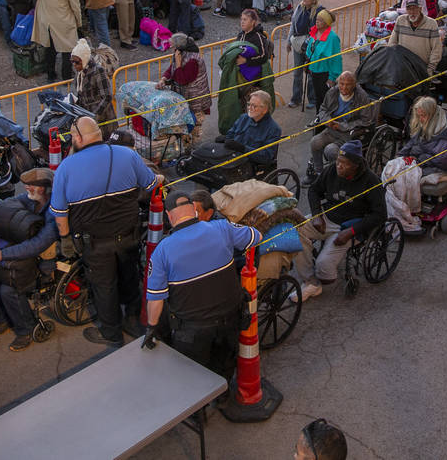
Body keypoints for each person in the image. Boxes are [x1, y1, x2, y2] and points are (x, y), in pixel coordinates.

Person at [52, 116, 161, 347]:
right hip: (129, 235)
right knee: (129, 275)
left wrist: (64, 239)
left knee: (104, 286)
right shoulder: (128, 155)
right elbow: (152, 185)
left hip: (94, 243)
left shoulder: (66, 168)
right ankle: (133, 320)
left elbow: (60, 213)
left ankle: (111, 333)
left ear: (79, 138)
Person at [142, 189, 260, 380]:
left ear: (169, 216)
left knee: (194, 380)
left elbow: (156, 300)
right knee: (224, 367)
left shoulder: (162, 252)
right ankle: (222, 397)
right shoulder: (222, 228)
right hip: (230, 320)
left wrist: (151, 328)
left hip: (192, 331)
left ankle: (200, 410)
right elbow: (256, 236)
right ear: (194, 212)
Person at [296, 141, 387, 301]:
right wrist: (317, 215)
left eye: (344, 164)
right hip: (327, 217)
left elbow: (380, 215)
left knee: (324, 268)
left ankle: (320, 270)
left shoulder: (371, 181)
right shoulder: (331, 170)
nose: (339, 166)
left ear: (355, 166)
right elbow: (314, 191)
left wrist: (351, 231)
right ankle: (310, 282)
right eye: (338, 161)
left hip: (351, 226)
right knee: (295, 231)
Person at [0, 167, 59, 351]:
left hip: (44, 262)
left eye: (31, 186)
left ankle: (26, 329)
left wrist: (1, 255)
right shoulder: (33, 199)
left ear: (44, 188)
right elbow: (6, 203)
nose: (26, 189)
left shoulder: (54, 212)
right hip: (26, 256)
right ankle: (7, 318)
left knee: (9, 289)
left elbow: (37, 245)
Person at [309, 71, 375, 180]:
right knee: (315, 142)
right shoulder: (333, 92)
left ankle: (337, 177)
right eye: (341, 83)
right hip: (331, 130)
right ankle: (319, 174)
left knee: (330, 151)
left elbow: (366, 120)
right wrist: (328, 120)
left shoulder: (361, 96)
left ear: (354, 85)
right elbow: (323, 109)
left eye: (348, 84)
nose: (344, 87)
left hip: (349, 134)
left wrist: (342, 126)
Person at [31, 0, 82, 83]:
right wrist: (79, 23)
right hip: (65, 23)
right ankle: (66, 77)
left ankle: (51, 75)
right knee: (67, 51)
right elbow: (76, 7)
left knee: (50, 50)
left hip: (48, 24)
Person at [218, 89, 281, 171]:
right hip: (234, 157)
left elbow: (266, 157)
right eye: (249, 104)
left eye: (254, 106)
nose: (249, 108)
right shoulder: (243, 118)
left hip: (251, 165)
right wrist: (226, 139)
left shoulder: (273, 129)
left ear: (265, 110)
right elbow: (231, 133)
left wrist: (243, 148)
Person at [158, 33, 211, 126]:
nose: (170, 47)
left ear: (178, 48)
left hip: (195, 100)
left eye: (172, 45)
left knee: (194, 125)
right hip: (185, 97)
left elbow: (182, 80)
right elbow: (171, 69)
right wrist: (163, 79)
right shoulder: (178, 55)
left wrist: (178, 64)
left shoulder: (192, 60)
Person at [69, 38, 116, 130]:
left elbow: (107, 96)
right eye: (72, 61)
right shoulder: (79, 72)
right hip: (87, 116)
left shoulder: (98, 71)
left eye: (77, 62)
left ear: (84, 59)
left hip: (102, 119)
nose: (74, 65)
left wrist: (95, 115)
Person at [387, 0, 441, 74]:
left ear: (420, 9)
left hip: (422, 67)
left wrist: (430, 68)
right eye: (409, 9)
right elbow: (392, 43)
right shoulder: (400, 20)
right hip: (403, 65)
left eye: (415, 8)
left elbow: (436, 49)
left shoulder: (431, 24)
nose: (412, 12)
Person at [288, 0, 324, 108]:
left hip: (312, 46)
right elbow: (293, 25)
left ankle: (312, 99)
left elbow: (322, 30)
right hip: (298, 44)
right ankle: (296, 98)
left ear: (314, 0)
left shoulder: (320, 11)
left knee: (310, 73)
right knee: (297, 72)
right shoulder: (299, 8)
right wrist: (289, 41)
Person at [234, 8, 273, 108]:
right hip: (241, 73)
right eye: (241, 19)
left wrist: (246, 61)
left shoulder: (258, 37)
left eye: (245, 20)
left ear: (253, 22)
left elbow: (263, 56)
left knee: (251, 104)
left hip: (253, 77)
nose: (242, 22)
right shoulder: (241, 35)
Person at [305, 8, 342, 112]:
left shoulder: (333, 38)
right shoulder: (314, 32)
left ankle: (324, 123)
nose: (317, 21)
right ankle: (319, 121)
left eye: (320, 20)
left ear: (327, 23)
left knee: (326, 100)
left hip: (325, 74)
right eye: (317, 19)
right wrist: (308, 64)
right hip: (314, 72)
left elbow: (336, 60)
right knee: (318, 99)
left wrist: (332, 78)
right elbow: (309, 50)